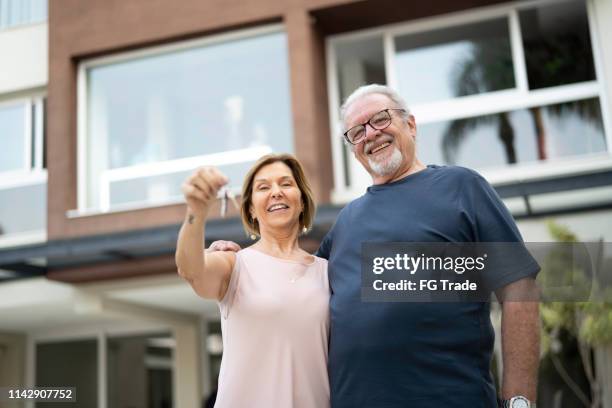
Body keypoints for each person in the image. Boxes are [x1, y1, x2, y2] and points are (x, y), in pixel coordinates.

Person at [211, 84, 540, 408]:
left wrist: (518, 402)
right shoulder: (346, 223)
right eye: (356, 132)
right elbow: (291, 280)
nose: (369, 134)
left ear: (410, 124)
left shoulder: (462, 188)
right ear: (354, 149)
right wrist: (243, 260)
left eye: (380, 119)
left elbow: (519, 289)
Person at [176, 154, 330, 408]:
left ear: (302, 201)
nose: (276, 192)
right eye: (263, 187)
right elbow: (190, 269)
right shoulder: (234, 264)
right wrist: (196, 212)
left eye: (286, 184)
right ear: (250, 209)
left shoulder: (327, 272)